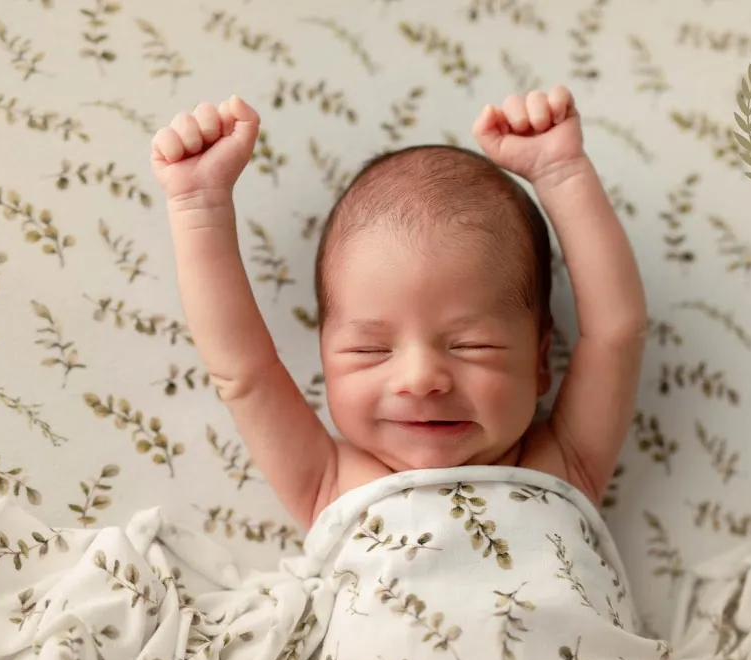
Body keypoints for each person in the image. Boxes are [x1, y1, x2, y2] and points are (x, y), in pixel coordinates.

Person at [150, 86, 647, 531]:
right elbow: (245, 371)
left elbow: (615, 334)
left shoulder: (562, 465)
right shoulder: (332, 484)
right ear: (325, 360)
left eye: (471, 345)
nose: (421, 378)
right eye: (370, 349)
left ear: (540, 362)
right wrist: (199, 206)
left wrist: (561, 173)